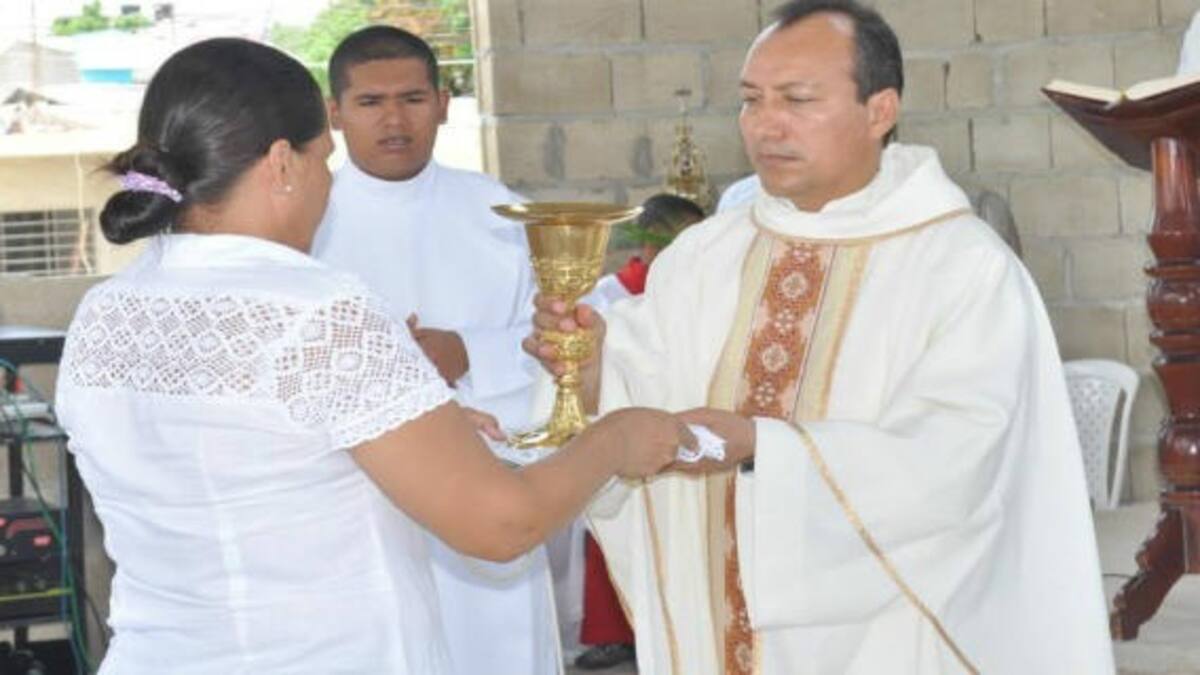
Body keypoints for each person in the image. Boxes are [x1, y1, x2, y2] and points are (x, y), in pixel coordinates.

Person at [53, 38, 691, 674]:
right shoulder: (319, 310)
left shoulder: (102, 312)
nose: (328, 185)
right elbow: (501, 525)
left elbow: (241, 460)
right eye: (323, 160)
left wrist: (421, 424)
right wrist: (615, 439)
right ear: (283, 163)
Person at [524, 1, 1115, 673]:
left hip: (889, 639)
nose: (765, 124)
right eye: (751, 100)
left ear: (880, 110)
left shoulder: (962, 266)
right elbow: (642, 383)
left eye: (797, 100)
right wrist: (589, 368)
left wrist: (764, 446)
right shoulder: (705, 255)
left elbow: (962, 461)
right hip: (718, 619)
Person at [309, 25, 560, 675]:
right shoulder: (307, 217)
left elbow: (563, 339)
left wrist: (468, 351)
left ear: (444, 104)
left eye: (413, 99)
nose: (394, 120)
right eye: (370, 102)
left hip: (489, 475)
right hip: (357, 499)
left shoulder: (501, 211)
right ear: (334, 112)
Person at [575, 193, 705, 671]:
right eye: (669, 242)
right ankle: (611, 634)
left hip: (689, 428)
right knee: (615, 525)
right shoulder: (608, 295)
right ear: (646, 247)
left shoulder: (703, 287)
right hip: (627, 428)